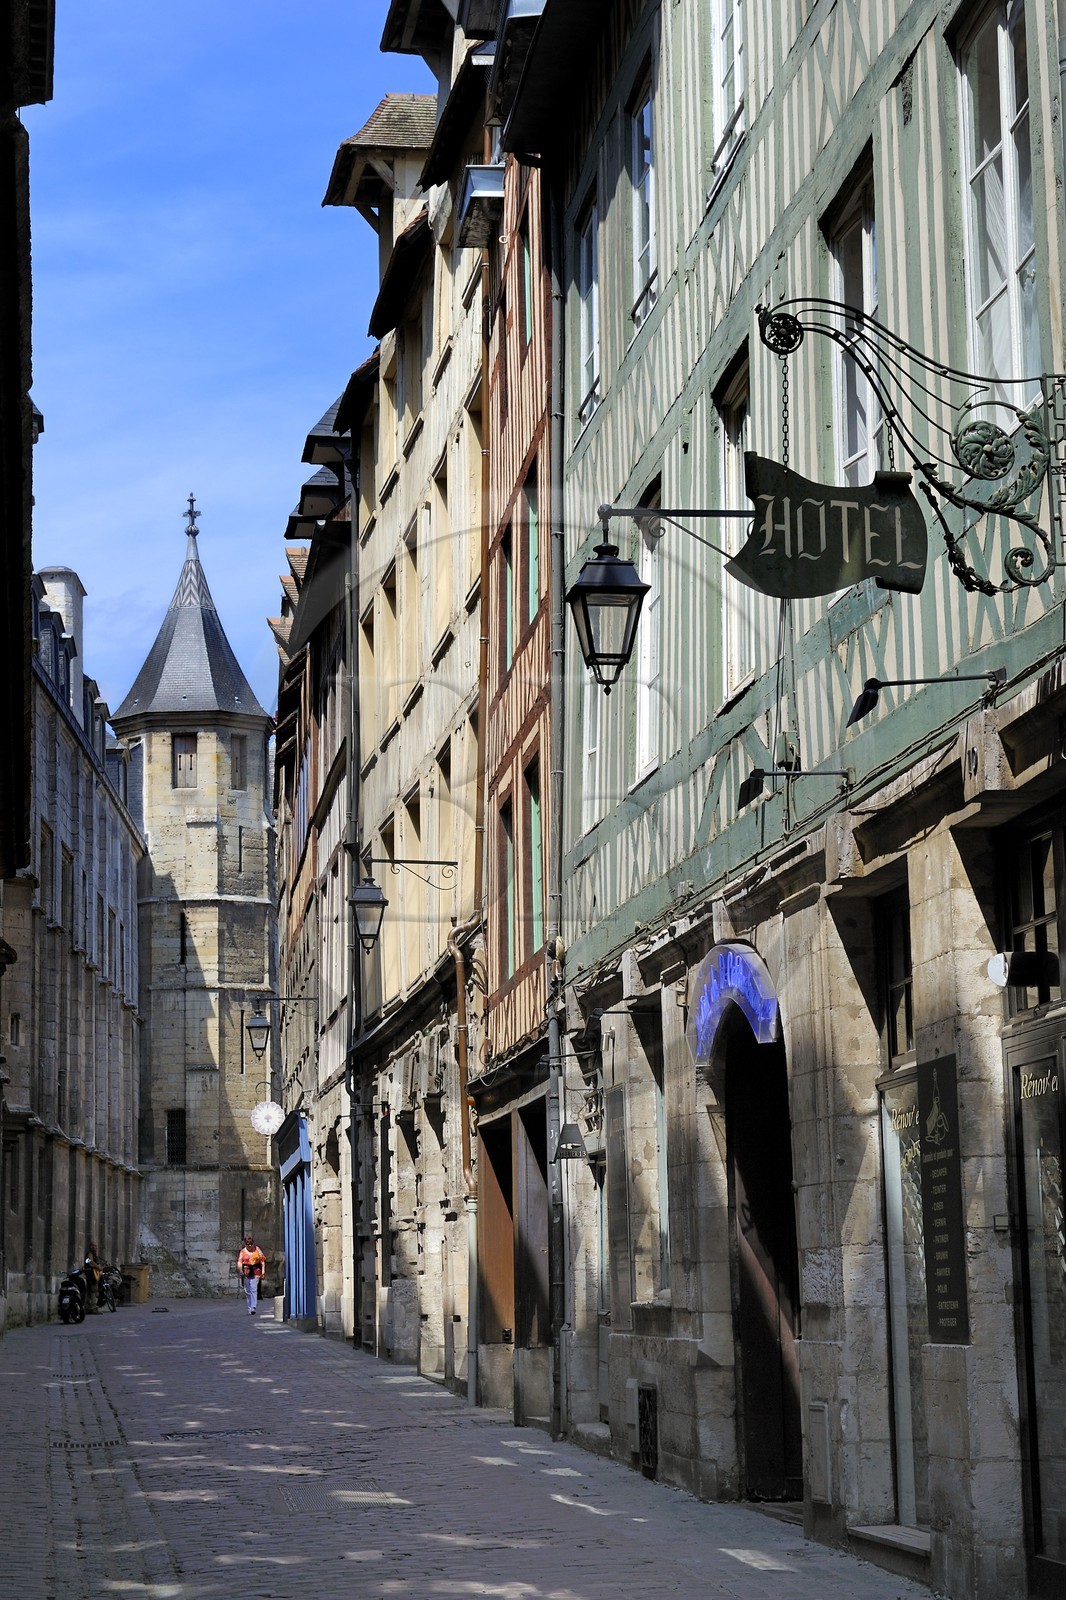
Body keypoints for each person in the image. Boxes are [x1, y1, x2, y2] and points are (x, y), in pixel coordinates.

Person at [237, 1234, 266, 1315]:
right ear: (245, 1244)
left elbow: (262, 1260)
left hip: (256, 1270)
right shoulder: (243, 1252)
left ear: (253, 1243)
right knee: (247, 1290)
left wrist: (263, 1271)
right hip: (247, 1271)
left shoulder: (257, 1250)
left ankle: (253, 1307)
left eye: (251, 1244)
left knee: (253, 1289)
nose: (249, 1246)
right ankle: (249, 1307)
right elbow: (239, 1262)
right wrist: (240, 1270)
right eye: (247, 1245)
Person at [85, 1241, 103, 1312]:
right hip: (91, 1274)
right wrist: (98, 1267)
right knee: (93, 1290)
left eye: (96, 1246)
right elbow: (90, 1262)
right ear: (91, 1247)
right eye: (94, 1246)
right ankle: (93, 1307)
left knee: (92, 1290)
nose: (95, 1247)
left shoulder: (95, 1255)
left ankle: (90, 1306)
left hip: (93, 1274)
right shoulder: (90, 1254)